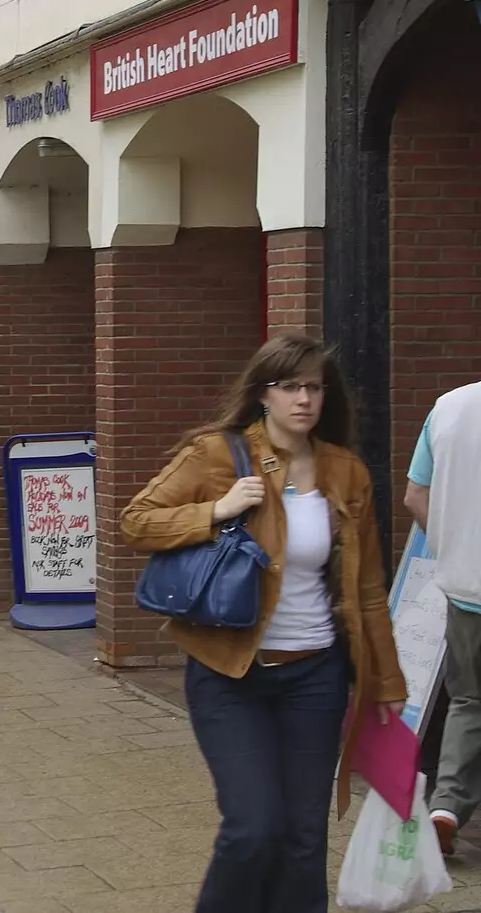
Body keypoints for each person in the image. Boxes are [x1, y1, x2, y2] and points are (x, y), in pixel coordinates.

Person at [120, 333, 405, 913]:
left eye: (314, 387)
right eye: (290, 386)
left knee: (303, 840)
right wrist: (216, 511)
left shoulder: (345, 472)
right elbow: (136, 520)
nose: (304, 399)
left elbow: (369, 589)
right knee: (254, 828)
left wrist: (387, 682)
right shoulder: (217, 454)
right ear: (263, 393)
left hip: (316, 675)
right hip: (230, 672)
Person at [404, 378, 481, 855]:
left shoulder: (448, 406)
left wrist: (449, 546)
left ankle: (446, 806)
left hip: (465, 586)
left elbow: (415, 495)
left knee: (470, 701)